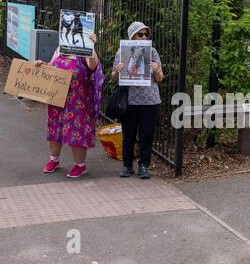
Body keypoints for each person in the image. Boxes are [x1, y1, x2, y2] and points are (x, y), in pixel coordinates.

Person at [35, 34, 104, 178]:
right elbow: (51, 65)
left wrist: (91, 45)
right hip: (57, 99)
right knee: (55, 128)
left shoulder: (84, 48)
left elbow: (93, 66)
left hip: (77, 101)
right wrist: (42, 65)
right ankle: (54, 160)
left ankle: (80, 166)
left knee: (76, 130)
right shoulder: (61, 48)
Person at [111, 22, 164, 179]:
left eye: (146, 34)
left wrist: (157, 70)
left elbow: (160, 79)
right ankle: (127, 166)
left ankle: (143, 165)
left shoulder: (152, 52)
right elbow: (114, 78)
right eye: (140, 34)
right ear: (131, 36)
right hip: (130, 100)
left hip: (150, 100)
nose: (144, 37)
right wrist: (117, 71)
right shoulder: (122, 52)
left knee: (146, 135)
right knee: (129, 134)